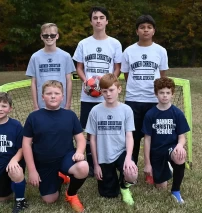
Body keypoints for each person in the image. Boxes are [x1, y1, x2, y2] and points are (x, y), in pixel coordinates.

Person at [22, 80, 89, 213]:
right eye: (49, 93)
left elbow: (81, 140)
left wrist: (80, 151)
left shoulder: (69, 115)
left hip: (66, 157)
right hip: (44, 163)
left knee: (83, 166)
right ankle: (61, 177)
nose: (53, 96)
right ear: (42, 97)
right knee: (49, 199)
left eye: (57, 93)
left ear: (62, 96)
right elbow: (26, 144)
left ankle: (71, 194)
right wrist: (32, 170)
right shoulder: (33, 117)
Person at [73, 6, 123, 176]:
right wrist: (87, 83)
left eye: (102, 17)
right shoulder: (83, 43)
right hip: (88, 96)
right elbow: (79, 67)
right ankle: (92, 165)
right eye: (95, 18)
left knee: (108, 128)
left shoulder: (114, 43)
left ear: (107, 21)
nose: (98, 20)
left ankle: (112, 160)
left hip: (107, 96)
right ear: (91, 21)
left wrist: (107, 85)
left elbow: (117, 68)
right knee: (89, 131)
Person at [121, 15, 169, 183]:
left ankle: (152, 171)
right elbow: (127, 75)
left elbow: (162, 75)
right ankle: (130, 173)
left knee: (154, 138)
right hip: (133, 101)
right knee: (132, 138)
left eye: (149, 27)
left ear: (154, 30)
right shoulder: (128, 51)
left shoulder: (161, 51)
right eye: (142, 27)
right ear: (137, 31)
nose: (146, 30)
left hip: (152, 101)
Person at [85, 73, 138, 205]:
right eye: (105, 91)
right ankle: (114, 184)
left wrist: (128, 158)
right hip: (104, 156)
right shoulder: (95, 111)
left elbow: (129, 136)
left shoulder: (127, 110)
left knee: (131, 173)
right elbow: (92, 139)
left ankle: (125, 188)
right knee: (109, 194)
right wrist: (96, 165)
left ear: (119, 89)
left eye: (111, 90)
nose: (108, 94)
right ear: (100, 92)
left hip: (121, 152)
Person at [142, 77, 190, 204]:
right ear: (156, 94)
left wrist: (180, 146)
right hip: (156, 152)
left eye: (168, 93)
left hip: (171, 149)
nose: (165, 96)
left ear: (172, 94)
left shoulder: (177, 113)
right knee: (161, 187)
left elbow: (182, 137)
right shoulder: (150, 114)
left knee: (180, 156)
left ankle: (176, 191)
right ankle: (165, 169)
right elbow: (147, 140)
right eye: (161, 92)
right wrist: (147, 163)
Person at [26, 23, 75, 110]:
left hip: (61, 105)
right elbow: (33, 83)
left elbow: (69, 81)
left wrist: (68, 105)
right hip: (42, 105)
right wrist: (36, 106)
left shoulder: (66, 56)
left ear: (57, 36)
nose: (49, 38)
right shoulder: (35, 57)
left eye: (52, 35)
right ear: (41, 36)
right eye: (46, 35)